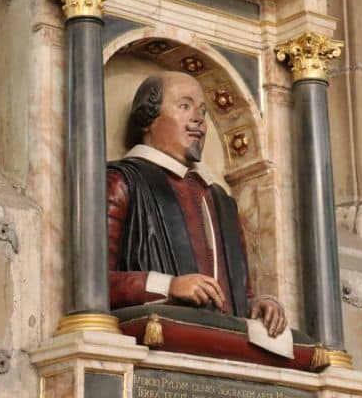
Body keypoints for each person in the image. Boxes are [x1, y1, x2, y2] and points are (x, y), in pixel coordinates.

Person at [107, 71, 287, 337]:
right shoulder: (122, 181)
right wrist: (168, 287)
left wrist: (256, 304)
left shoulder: (221, 201)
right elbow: (93, 283)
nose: (198, 120)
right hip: (160, 341)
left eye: (202, 111)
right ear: (148, 117)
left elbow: (235, 294)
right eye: (184, 106)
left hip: (222, 342)